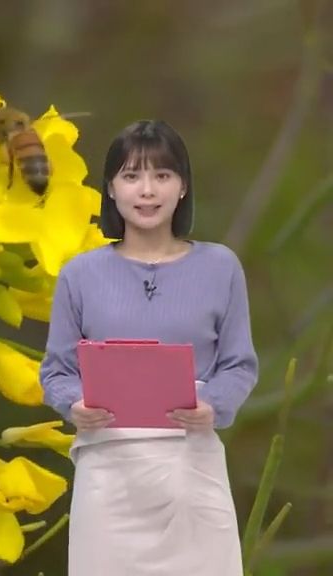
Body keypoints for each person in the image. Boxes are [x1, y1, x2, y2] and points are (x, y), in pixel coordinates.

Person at [39, 119, 259, 576]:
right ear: (111, 190)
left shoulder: (220, 267)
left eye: (162, 175)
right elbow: (56, 372)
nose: (147, 191)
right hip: (107, 467)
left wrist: (212, 405)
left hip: (190, 463)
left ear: (182, 187)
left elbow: (239, 364)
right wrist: (73, 405)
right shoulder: (79, 275)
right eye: (131, 176)